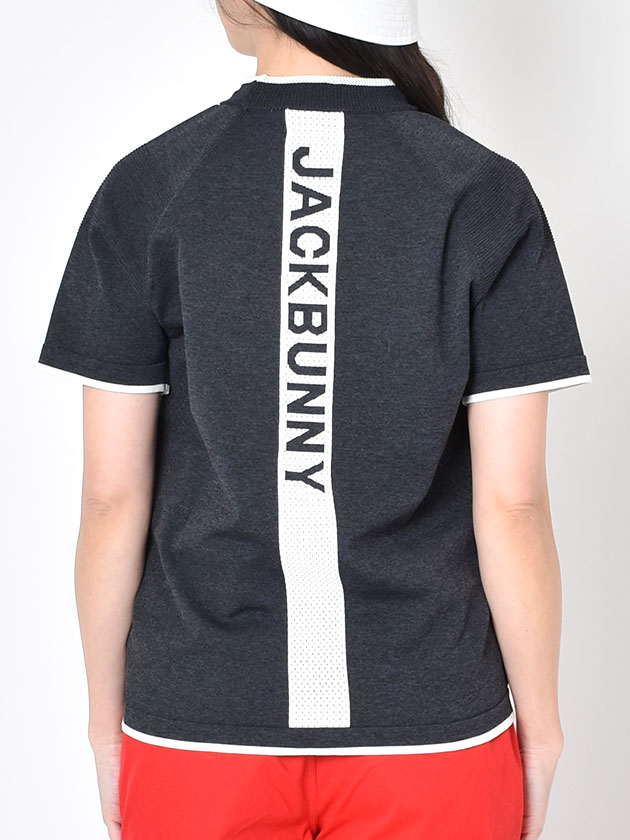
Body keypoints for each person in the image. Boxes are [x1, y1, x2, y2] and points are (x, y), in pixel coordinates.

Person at [37, 1, 592, 838]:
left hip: (199, 733)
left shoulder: (152, 184)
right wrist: (542, 731)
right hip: (433, 736)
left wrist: (103, 726)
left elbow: (111, 500)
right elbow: (514, 506)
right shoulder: (483, 192)